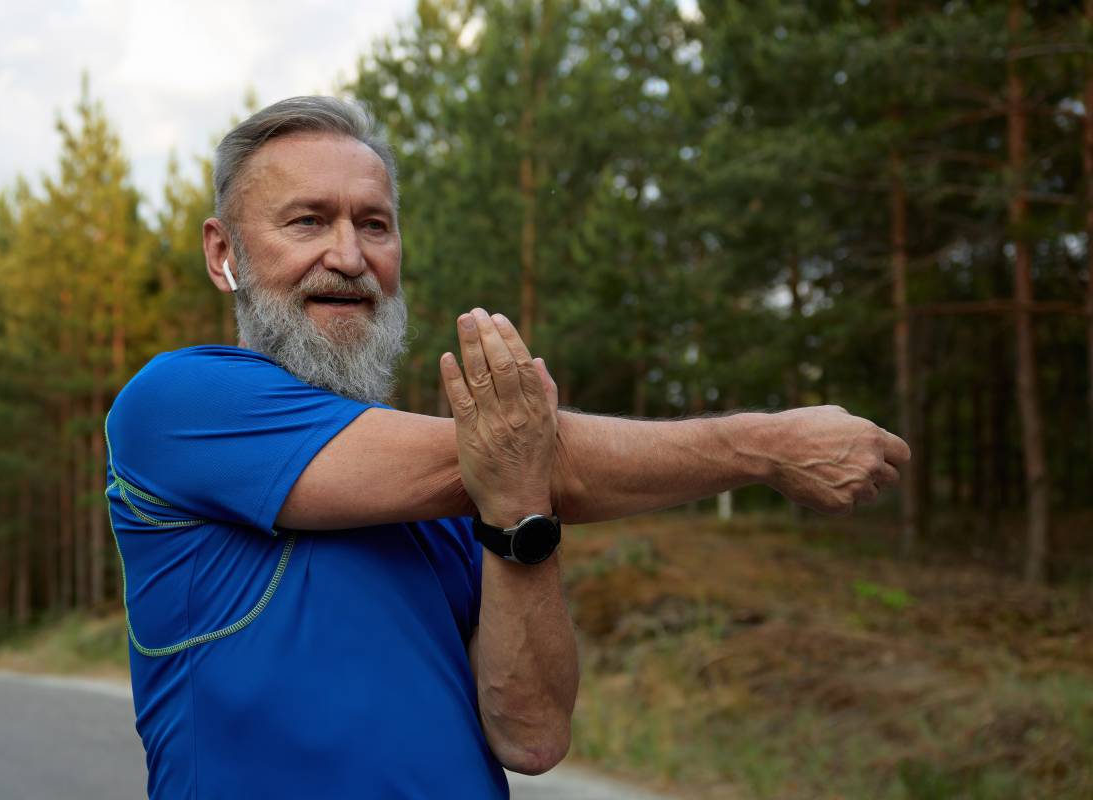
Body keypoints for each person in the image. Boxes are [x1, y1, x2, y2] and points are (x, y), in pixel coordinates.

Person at [103, 96, 910, 799]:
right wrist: (765, 446)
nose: (349, 257)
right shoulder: (177, 404)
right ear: (224, 254)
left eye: (374, 225)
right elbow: (508, 455)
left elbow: (532, 738)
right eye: (308, 221)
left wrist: (519, 516)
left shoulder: (454, 489)